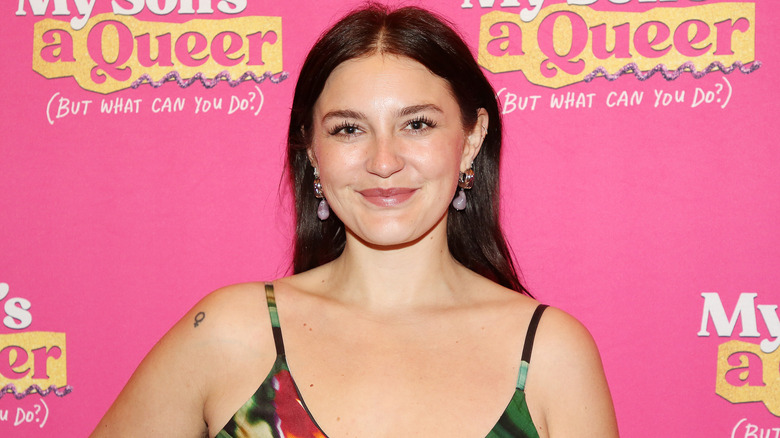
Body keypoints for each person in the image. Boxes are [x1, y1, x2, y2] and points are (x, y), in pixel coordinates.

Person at [92, 4, 618, 437]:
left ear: (472, 139)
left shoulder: (550, 355)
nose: (384, 162)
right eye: (348, 130)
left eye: (416, 124)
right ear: (312, 150)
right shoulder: (232, 332)